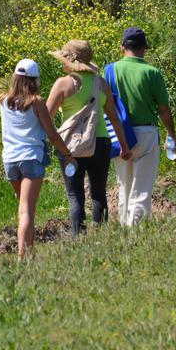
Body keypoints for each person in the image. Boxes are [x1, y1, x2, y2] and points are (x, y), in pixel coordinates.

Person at [46, 40, 131, 235]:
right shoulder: (101, 83)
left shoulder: (63, 84)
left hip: (71, 145)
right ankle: (100, 234)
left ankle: (79, 236)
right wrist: (124, 146)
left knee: (75, 194)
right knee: (99, 192)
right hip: (100, 141)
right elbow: (114, 118)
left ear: (69, 62)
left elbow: (46, 117)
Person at [0, 59, 77, 259]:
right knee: (27, 210)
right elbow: (51, 133)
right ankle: (22, 255)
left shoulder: (2, 101)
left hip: (10, 160)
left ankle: (29, 252)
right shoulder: (36, 102)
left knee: (22, 207)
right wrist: (67, 154)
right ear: (35, 80)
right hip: (31, 158)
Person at [108, 27, 176, 226]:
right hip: (146, 133)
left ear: (123, 47)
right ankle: (136, 230)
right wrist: (171, 134)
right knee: (142, 186)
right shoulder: (152, 73)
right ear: (144, 49)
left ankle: (124, 225)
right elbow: (163, 109)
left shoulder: (110, 70)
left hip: (120, 133)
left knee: (124, 184)